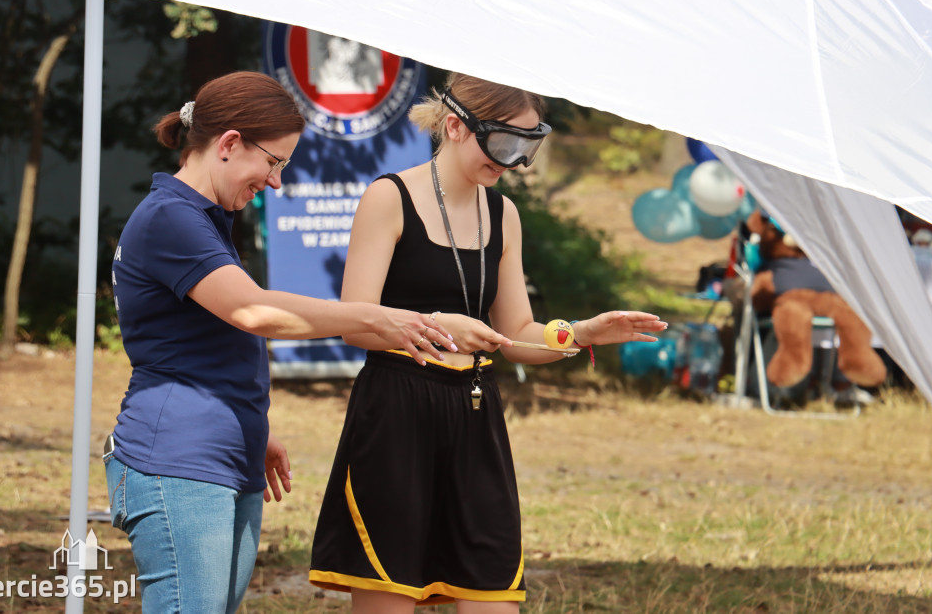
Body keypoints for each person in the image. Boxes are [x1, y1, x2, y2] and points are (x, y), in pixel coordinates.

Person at [309, 73, 667, 611]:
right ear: (455, 126)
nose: (513, 161)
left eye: (527, 145)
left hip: (474, 415)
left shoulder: (504, 215)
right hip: (396, 413)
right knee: (391, 592)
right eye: (504, 142)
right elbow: (353, 322)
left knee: (492, 590)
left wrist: (584, 332)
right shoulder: (389, 198)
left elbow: (517, 336)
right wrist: (438, 325)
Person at [104, 71, 454, 614]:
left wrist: (250, 425)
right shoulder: (171, 218)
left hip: (224, 454)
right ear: (228, 144)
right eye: (273, 162)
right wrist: (376, 317)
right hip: (176, 459)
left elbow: (202, 338)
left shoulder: (203, 217)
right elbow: (253, 310)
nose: (275, 182)